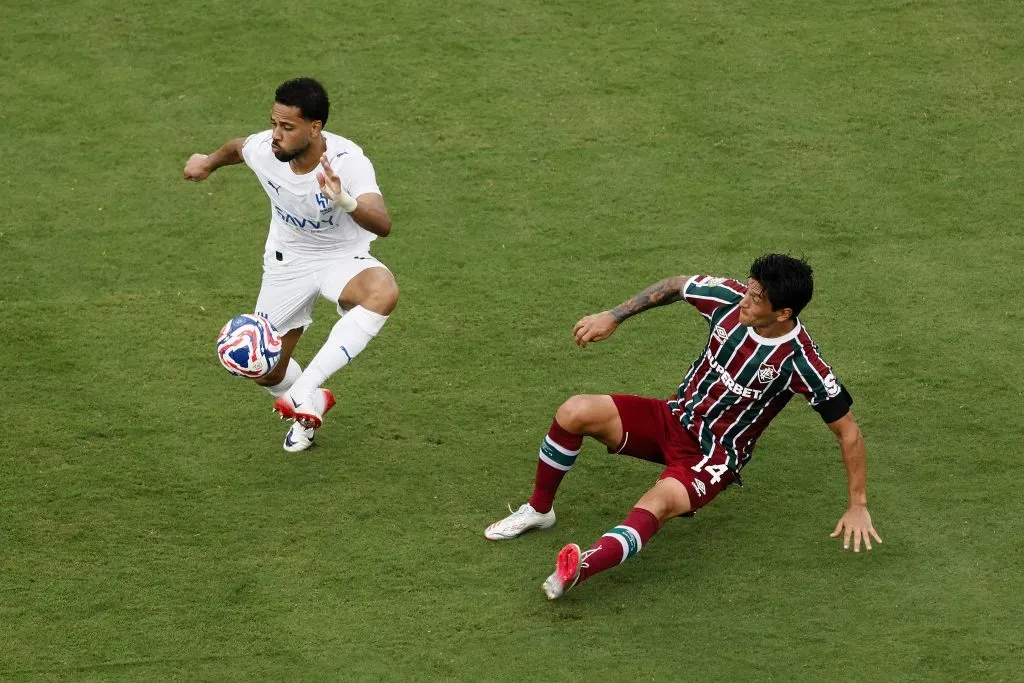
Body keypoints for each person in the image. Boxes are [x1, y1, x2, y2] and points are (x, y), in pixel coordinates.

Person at [484, 254, 882, 600]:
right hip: (673, 417)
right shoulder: (729, 299)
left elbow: (848, 431)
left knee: (657, 503)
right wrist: (614, 316)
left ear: (783, 313)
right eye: (749, 287)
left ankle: (578, 569)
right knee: (575, 411)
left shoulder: (802, 363)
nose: (745, 298)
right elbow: (677, 286)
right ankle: (539, 510)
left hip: (713, 455)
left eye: (757, 298)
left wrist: (858, 505)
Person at [184, 77, 398, 452]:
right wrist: (207, 163)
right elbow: (236, 148)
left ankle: (304, 388)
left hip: (341, 259)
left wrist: (344, 199)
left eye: (287, 127)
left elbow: (383, 222)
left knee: (383, 293)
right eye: (273, 123)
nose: (275, 135)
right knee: (265, 370)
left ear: (315, 128)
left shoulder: (348, 162)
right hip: (288, 263)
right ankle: (310, 403)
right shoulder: (265, 150)